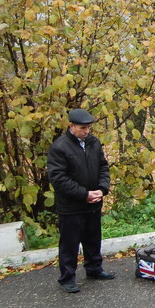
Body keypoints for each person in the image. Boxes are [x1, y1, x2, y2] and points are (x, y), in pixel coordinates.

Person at [47, 108, 113, 293]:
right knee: (69, 244)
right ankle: (67, 278)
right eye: (82, 128)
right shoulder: (60, 147)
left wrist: (101, 189)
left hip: (94, 203)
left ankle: (94, 269)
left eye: (89, 128)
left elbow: (103, 167)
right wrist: (84, 194)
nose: (86, 131)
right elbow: (58, 179)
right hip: (71, 206)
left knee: (93, 238)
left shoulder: (93, 143)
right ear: (71, 126)